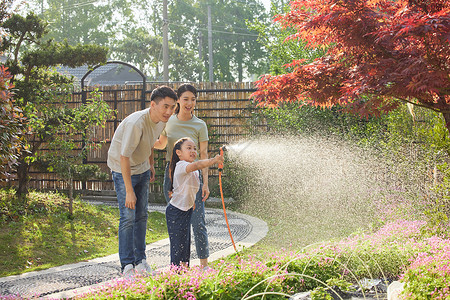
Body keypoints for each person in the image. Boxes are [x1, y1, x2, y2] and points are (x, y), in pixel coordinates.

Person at [107, 86, 177, 278]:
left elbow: (155, 143)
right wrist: (129, 191)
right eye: (165, 107)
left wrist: (151, 163)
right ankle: (127, 265)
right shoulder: (136, 123)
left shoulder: (161, 121)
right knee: (128, 217)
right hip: (123, 169)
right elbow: (124, 157)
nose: (169, 112)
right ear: (153, 105)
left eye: (172, 107)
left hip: (142, 168)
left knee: (142, 215)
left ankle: (141, 261)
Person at [153, 84, 212, 269]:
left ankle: (204, 266)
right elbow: (161, 144)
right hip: (172, 180)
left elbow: (203, 155)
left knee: (198, 223)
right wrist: (142, 139)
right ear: (178, 100)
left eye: (193, 99)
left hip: (194, 181)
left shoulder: (199, 125)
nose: (189, 103)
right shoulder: (168, 121)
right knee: (178, 225)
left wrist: (205, 184)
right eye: (185, 99)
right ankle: (178, 266)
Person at [166, 137, 224, 267]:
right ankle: (175, 275)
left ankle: (184, 272)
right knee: (177, 246)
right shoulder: (181, 166)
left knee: (185, 244)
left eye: (195, 148)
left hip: (186, 211)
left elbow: (190, 188)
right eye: (189, 148)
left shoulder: (194, 171)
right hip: (175, 213)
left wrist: (192, 202)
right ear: (178, 153)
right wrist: (213, 160)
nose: (193, 151)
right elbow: (197, 165)